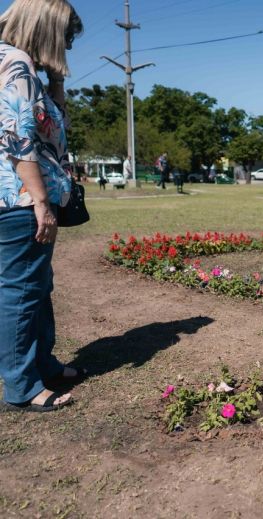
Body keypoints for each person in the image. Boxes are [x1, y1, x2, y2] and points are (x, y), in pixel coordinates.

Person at [0, 0, 85, 412]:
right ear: (49, 29)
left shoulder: (25, 67)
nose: (68, 44)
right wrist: (41, 202)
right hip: (19, 199)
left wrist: (56, 82)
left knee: (37, 287)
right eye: (66, 35)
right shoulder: (15, 62)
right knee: (21, 293)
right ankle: (22, 386)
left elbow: (57, 129)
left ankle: (42, 363)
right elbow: (15, 137)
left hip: (20, 197)